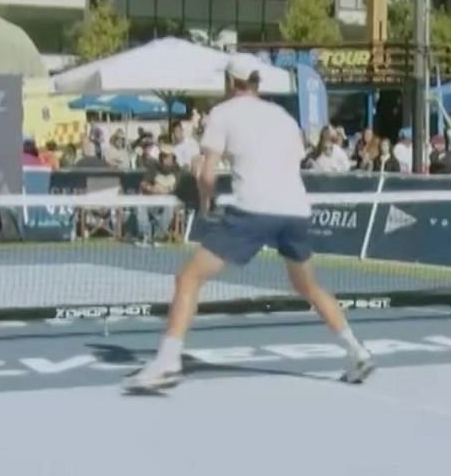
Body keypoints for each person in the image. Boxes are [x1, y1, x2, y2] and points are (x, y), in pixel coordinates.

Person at [121, 60, 375, 394]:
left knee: (188, 278)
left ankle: (168, 361)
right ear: (256, 82)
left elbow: (208, 175)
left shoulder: (222, 113)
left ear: (231, 81)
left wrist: (206, 202)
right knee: (308, 285)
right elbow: (288, 161)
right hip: (295, 211)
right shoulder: (283, 117)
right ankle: (356, 351)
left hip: (253, 210)